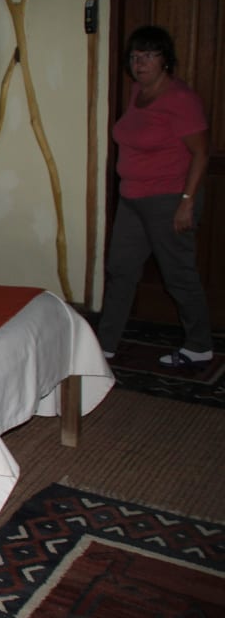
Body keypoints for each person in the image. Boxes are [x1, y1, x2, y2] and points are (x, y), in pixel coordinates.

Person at [97, 25, 212, 368]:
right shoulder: (138, 92)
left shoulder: (180, 99)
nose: (140, 63)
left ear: (165, 60)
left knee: (178, 275)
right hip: (132, 199)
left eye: (148, 56)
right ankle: (104, 346)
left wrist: (187, 202)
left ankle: (200, 346)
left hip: (169, 200)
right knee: (120, 270)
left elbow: (201, 153)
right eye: (135, 56)